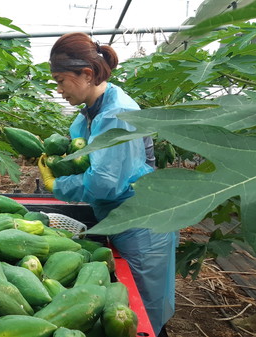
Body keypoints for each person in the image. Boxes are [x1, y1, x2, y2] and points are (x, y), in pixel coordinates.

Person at [37, 32, 177, 337]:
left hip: (143, 223)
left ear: (86, 74)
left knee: (142, 311)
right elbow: (84, 158)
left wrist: (56, 185)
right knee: (131, 302)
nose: (58, 90)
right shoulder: (90, 113)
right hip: (119, 217)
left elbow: (103, 182)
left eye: (61, 81)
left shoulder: (116, 114)